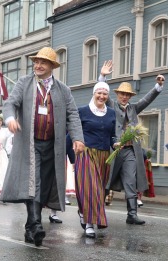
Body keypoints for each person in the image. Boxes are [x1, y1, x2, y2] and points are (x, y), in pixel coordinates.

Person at [0, 47, 85, 246]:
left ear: (52, 66)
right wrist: (10, 118)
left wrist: (77, 138)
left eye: (43, 62)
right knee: (34, 182)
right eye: (36, 62)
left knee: (45, 186)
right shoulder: (24, 83)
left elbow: (73, 114)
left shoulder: (63, 89)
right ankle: (37, 225)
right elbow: (10, 103)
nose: (38, 65)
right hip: (31, 144)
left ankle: (30, 228)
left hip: (53, 146)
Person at [100, 60, 165, 225]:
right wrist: (103, 77)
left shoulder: (133, 108)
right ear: (117, 94)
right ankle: (97, 211)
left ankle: (132, 214)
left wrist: (157, 86)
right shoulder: (111, 105)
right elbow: (101, 93)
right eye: (122, 94)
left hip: (130, 151)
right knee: (106, 181)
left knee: (130, 180)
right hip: (112, 151)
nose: (124, 97)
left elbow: (147, 100)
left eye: (127, 95)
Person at [74, 81, 116, 238]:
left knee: (100, 189)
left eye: (105, 93)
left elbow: (112, 135)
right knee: (91, 188)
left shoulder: (111, 113)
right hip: (86, 153)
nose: (102, 96)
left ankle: (82, 211)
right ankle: (90, 223)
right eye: (99, 92)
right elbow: (73, 132)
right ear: (93, 93)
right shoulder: (82, 111)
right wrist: (71, 155)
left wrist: (116, 143)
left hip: (104, 156)